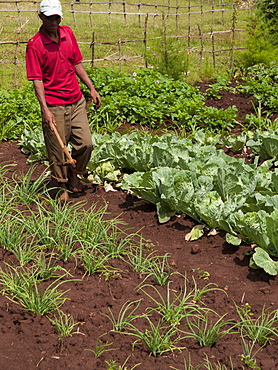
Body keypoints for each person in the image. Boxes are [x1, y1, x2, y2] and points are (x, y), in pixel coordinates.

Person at [26, 0, 101, 201]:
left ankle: (73, 173)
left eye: (56, 17)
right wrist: (45, 109)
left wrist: (91, 88)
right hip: (54, 104)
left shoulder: (67, 33)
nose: (53, 21)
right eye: (49, 17)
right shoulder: (35, 45)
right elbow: (37, 80)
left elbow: (76, 62)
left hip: (76, 101)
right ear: (40, 17)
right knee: (57, 149)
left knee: (86, 144)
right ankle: (61, 187)